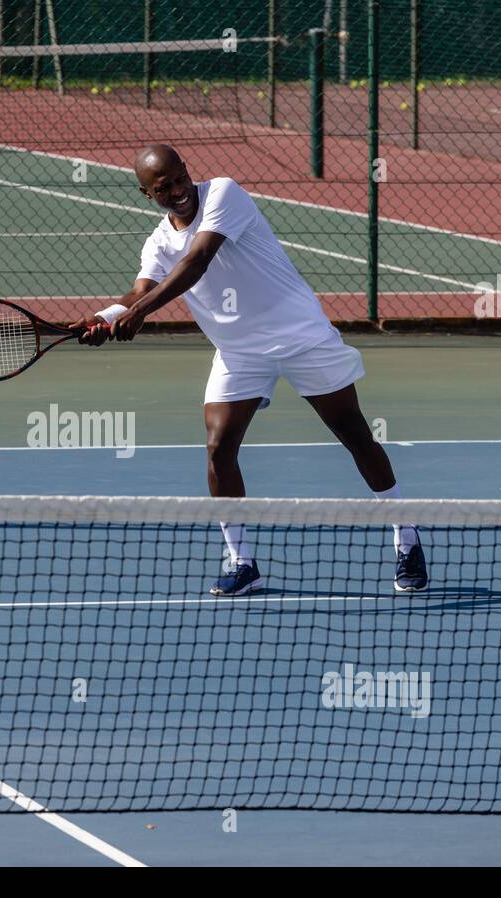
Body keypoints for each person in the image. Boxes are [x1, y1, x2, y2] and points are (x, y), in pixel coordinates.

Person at [75, 144, 427, 596]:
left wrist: (139, 313)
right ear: (147, 194)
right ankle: (242, 561)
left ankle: (406, 535)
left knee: (353, 434)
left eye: (180, 178)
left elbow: (195, 263)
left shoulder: (224, 193)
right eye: (164, 188)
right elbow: (141, 288)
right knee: (219, 446)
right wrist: (103, 318)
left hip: (300, 335)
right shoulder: (157, 242)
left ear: (188, 170)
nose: (179, 191)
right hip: (239, 353)